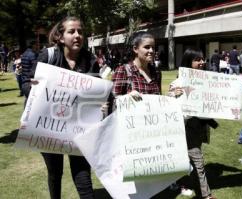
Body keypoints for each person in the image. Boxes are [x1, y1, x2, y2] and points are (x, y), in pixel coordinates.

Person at [22, 16, 99, 199]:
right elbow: (26, 84)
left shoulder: (90, 60)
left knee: (83, 173)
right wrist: (33, 88)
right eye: (71, 31)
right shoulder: (48, 56)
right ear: (61, 37)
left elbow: (97, 90)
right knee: (55, 172)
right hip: (49, 127)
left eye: (80, 31)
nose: (77, 35)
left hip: (78, 127)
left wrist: (101, 101)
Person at [168, 48, 217, 199]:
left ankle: (176, 181)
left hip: (199, 127)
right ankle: (206, 195)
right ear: (188, 62)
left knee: (187, 158)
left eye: (202, 59)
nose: (202, 62)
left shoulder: (207, 80)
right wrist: (172, 94)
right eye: (197, 60)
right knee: (198, 160)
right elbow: (168, 104)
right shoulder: (178, 83)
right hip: (185, 128)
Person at [112, 31, 160, 97]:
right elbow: (113, 99)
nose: (151, 51)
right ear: (135, 49)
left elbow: (159, 100)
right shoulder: (123, 70)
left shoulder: (156, 72)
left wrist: (173, 94)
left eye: (153, 47)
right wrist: (128, 97)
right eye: (147, 47)